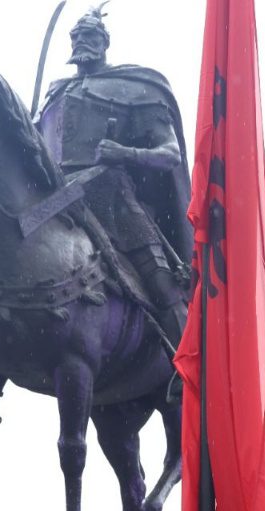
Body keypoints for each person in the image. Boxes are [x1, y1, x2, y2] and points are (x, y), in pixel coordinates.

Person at [36, 5, 192, 345]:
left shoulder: (134, 88)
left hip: (113, 202)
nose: (81, 42)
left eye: (90, 36)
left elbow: (170, 154)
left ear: (105, 41)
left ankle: (189, 374)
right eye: (76, 37)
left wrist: (124, 153)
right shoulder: (54, 95)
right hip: (55, 205)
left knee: (162, 284)